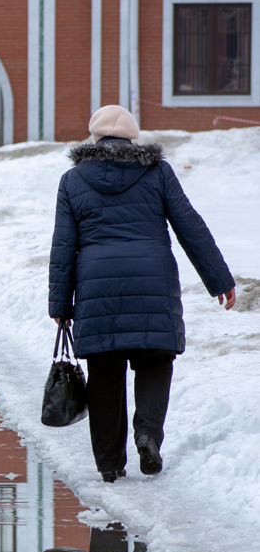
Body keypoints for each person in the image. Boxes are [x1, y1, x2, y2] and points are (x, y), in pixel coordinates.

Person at [48, 105, 235, 483]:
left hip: (97, 287)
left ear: (95, 137)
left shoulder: (73, 180)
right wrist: (219, 279)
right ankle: (148, 434)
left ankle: (109, 463)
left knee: (104, 373)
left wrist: (60, 304)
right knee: (154, 361)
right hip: (152, 282)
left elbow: (63, 247)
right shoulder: (157, 171)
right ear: (132, 137)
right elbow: (190, 226)